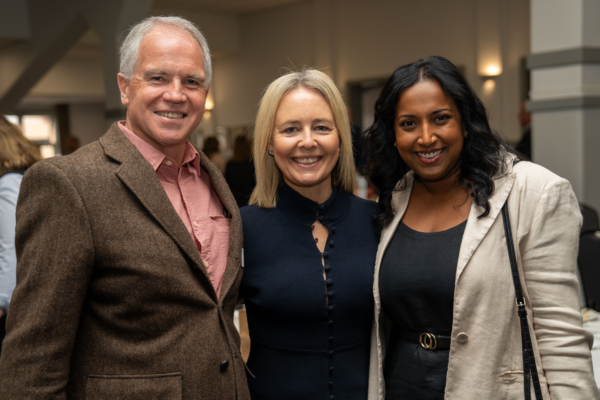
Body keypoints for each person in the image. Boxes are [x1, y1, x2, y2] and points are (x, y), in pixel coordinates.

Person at [0, 16, 250, 400]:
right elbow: (33, 357)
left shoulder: (213, 181)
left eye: (192, 81)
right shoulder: (68, 183)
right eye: (157, 78)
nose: (176, 94)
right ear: (124, 87)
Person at [365, 56, 599, 400]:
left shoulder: (533, 191)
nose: (426, 137)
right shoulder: (394, 198)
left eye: (441, 118)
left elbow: (560, 335)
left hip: (491, 386)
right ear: (393, 133)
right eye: (409, 123)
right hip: (403, 384)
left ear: (465, 121)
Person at [240, 69, 379, 399]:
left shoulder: (377, 221)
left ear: (340, 138)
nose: (307, 141)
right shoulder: (239, 228)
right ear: (270, 144)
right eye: (290, 129)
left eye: (321, 127)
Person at [0, 115, 41, 355]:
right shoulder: (21, 177)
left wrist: (2, 301)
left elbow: (12, 247)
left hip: (10, 307)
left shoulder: (9, 183)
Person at [225, 135, 256, 207]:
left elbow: (227, 186)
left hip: (235, 201)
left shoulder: (230, 165)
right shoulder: (252, 163)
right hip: (252, 200)